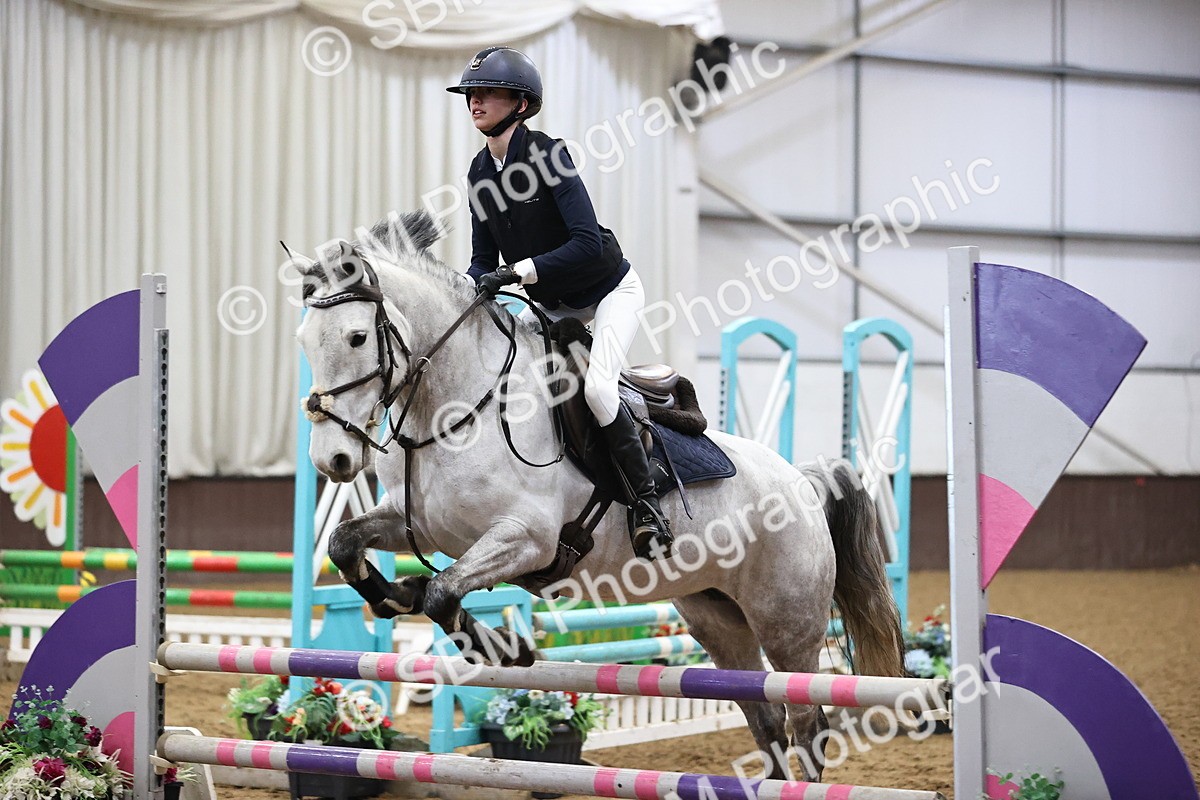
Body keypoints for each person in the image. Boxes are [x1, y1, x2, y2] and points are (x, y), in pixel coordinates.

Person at [448, 46, 672, 560]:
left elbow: (586, 242)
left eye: (486, 93)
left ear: (521, 103)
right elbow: (483, 259)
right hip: (551, 304)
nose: (474, 101)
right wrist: (463, 289)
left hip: (608, 291)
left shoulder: (550, 155)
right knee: (513, 385)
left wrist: (520, 271)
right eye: (470, 94)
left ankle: (647, 505)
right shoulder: (480, 174)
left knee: (596, 388)